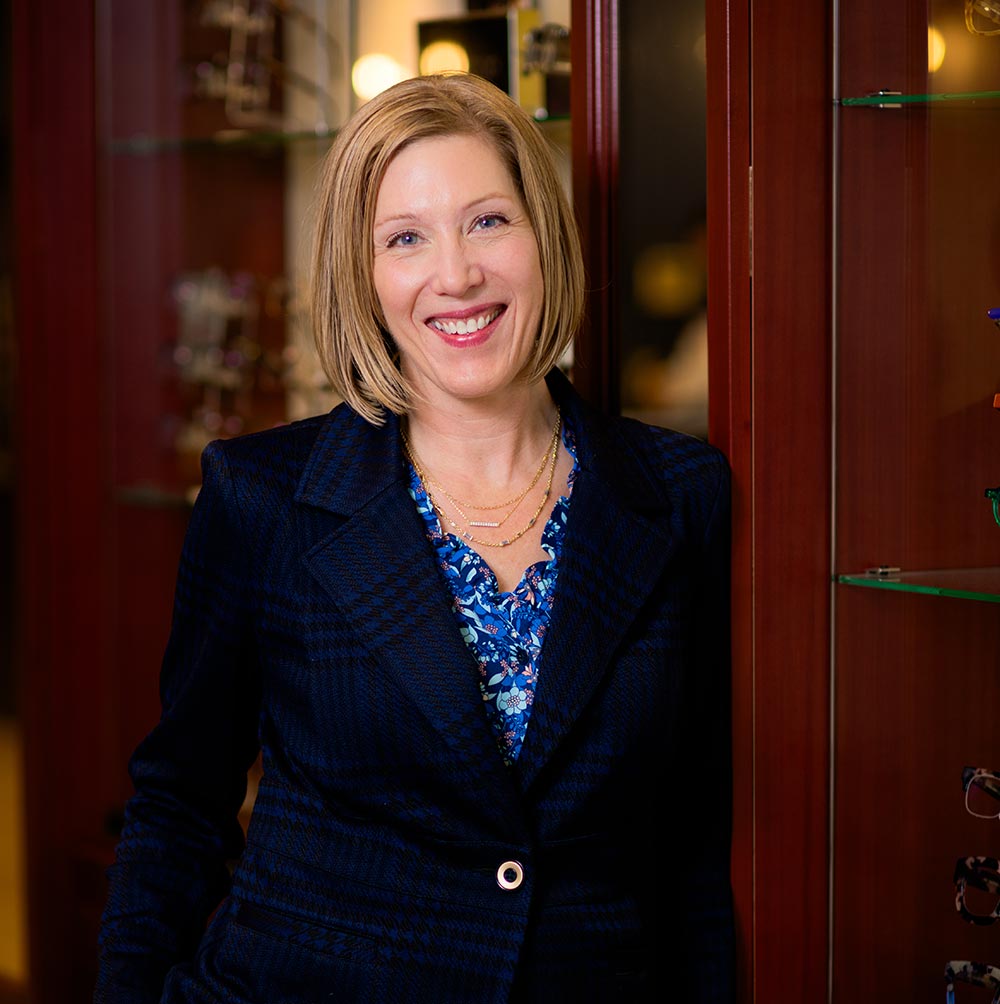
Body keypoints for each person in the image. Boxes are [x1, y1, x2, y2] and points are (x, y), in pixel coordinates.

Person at [95, 72, 734, 1003]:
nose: (457, 274)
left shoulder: (681, 496)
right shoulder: (261, 497)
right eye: (405, 239)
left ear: (543, 237)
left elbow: (692, 841)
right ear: (366, 277)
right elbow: (180, 805)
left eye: (488, 221)